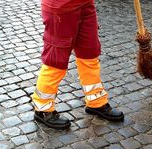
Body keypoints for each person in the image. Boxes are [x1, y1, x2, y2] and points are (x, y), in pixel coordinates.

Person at [32, 0, 124, 130]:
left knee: (89, 54)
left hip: (85, 4)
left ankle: (96, 101)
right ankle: (43, 108)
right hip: (61, 7)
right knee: (56, 61)